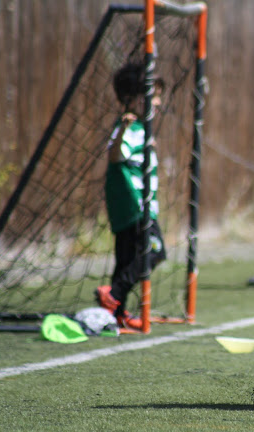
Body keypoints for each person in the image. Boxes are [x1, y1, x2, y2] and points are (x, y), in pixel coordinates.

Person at [95, 63, 167, 331]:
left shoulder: (140, 130)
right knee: (156, 250)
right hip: (137, 206)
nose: (157, 102)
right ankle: (114, 294)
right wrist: (125, 131)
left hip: (127, 207)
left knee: (125, 258)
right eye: (152, 95)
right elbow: (114, 155)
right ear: (131, 98)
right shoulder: (128, 125)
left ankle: (116, 313)